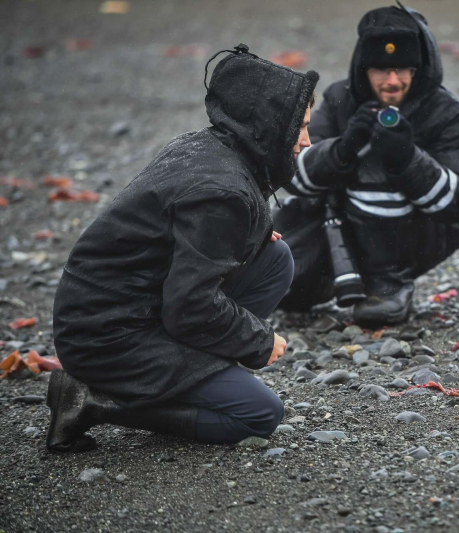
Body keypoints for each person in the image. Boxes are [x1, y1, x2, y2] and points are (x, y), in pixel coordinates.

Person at [46, 44, 319, 452]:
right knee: (259, 414)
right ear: (266, 124)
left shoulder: (205, 146)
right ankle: (94, 402)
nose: (307, 141)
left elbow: (177, 237)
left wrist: (252, 234)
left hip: (127, 309)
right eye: (299, 128)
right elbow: (190, 305)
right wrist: (258, 341)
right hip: (106, 335)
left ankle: (193, 375)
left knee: (274, 260)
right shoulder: (220, 190)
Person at [276, 5, 459, 325]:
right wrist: (342, 151)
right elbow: (290, 176)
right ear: (363, 69)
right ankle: (332, 274)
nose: (392, 81)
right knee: (284, 289)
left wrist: (407, 160)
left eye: (402, 69)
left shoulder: (444, 110)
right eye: (380, 69)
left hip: (419, 229)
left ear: (417, 68)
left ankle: (390, 281)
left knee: (378, 172)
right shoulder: (339, 99)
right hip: (340, 219)